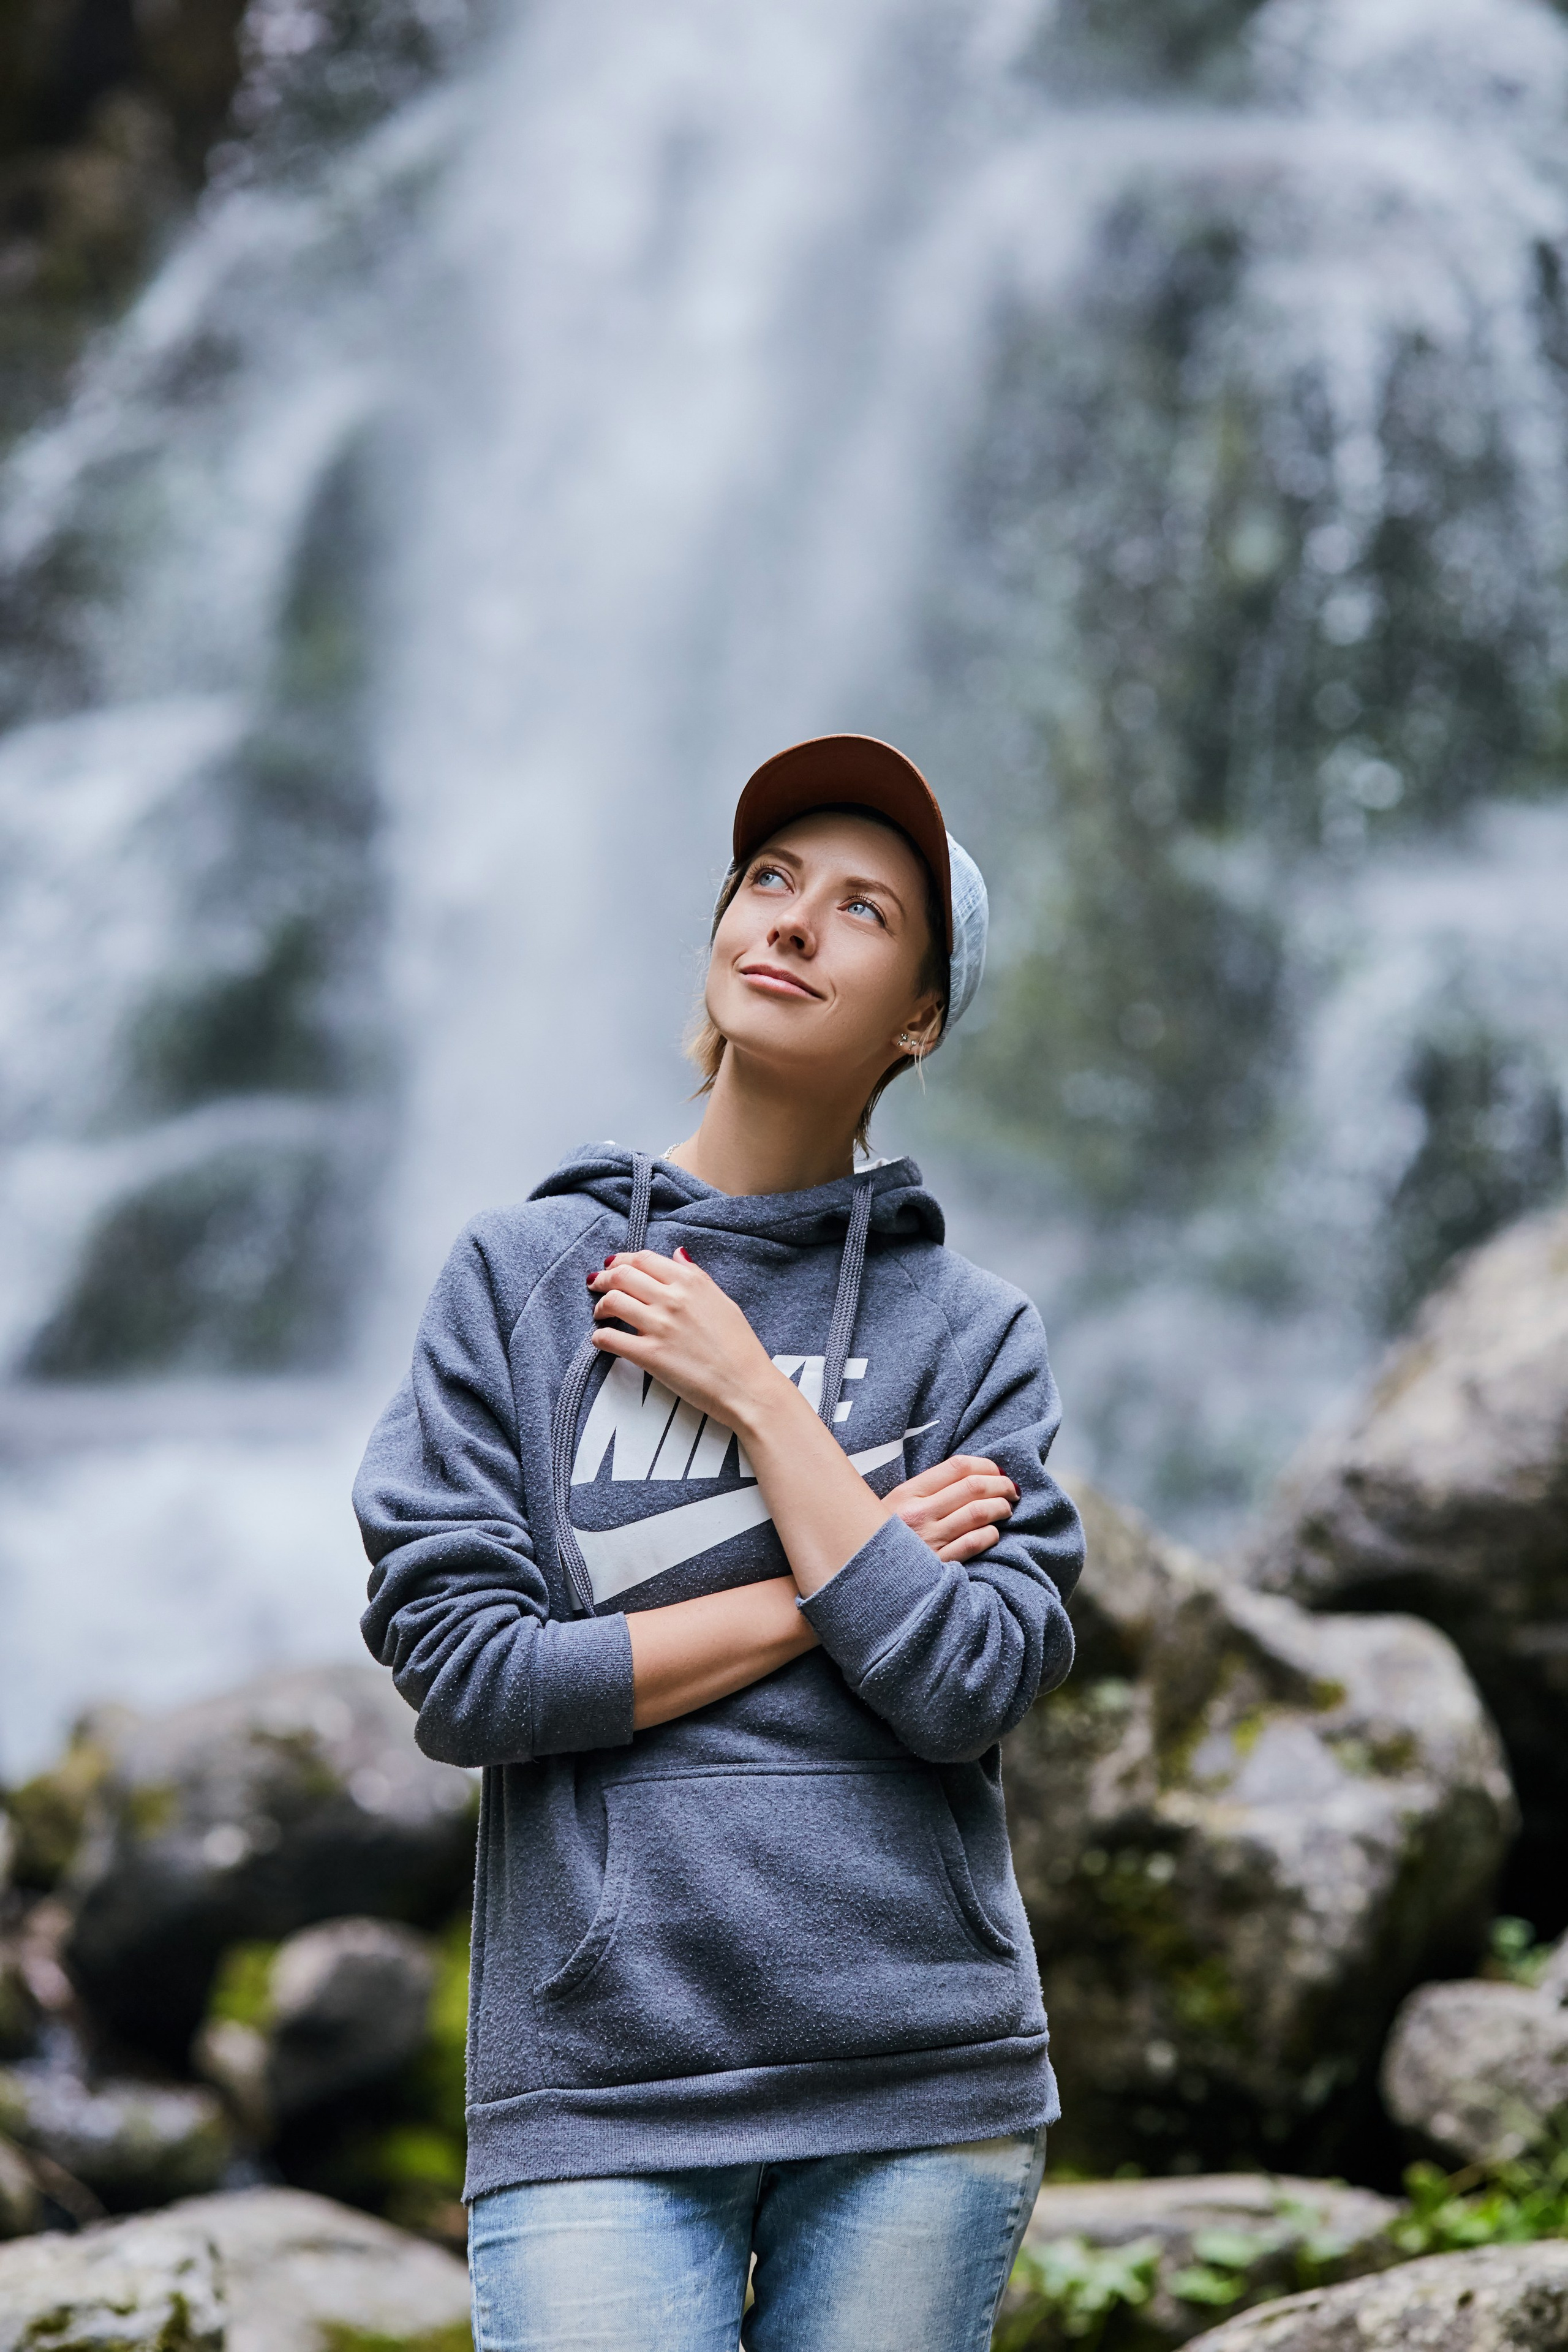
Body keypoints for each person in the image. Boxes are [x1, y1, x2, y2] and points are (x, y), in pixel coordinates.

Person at [355, 734, 1084, 2352]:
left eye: (864, 907)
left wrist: (761, 1400)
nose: (795, 922)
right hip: (602, 2086)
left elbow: (968, 1686)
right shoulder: (525, 1282)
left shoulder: (976, 1340)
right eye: (769, 880)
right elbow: (471, 1678)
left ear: (921, 1018)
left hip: (918, 2079)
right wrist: (851, 1567)